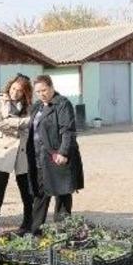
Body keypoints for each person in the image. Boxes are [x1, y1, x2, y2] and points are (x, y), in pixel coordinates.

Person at [27, 75, 84, 234]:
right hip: (39, 157)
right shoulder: (37, 106)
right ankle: (35, 231)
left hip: (57, 157)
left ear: (51, 87)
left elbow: (68, 131)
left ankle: (63, 232)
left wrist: (63, 152)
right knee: (40, 194)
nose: (41, 94)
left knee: (62, 193)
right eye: (38, 91)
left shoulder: (62, 104)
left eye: (44, 90)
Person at [0, 75, 33, 232]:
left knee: (26, 187)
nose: (15, 93)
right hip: (3, 147)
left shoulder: (28, 104)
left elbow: (31, 122)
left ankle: (28, 221)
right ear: (10, 86)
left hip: (22, 148)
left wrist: (10, 121)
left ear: (25, 92)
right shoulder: (0, 99)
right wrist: (22, 122)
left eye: (20, 91)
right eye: (14, 88)